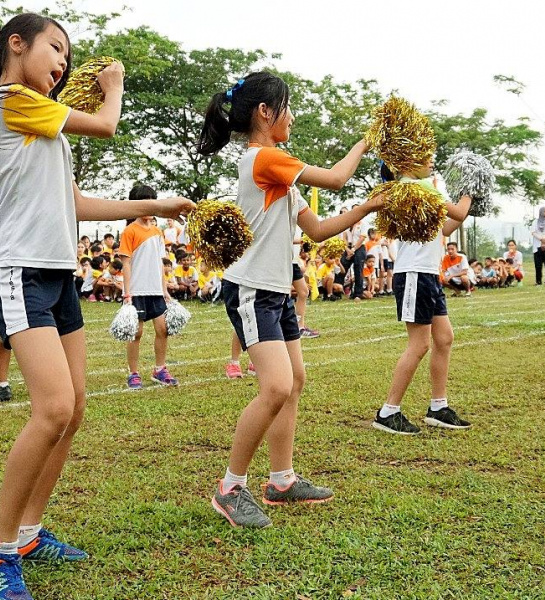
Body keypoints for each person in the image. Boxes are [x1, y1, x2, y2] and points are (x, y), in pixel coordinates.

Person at [0, 14, 194, 599]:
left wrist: (154, 207)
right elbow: (107, 125)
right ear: (15, 44)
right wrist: (114, 85)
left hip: (60, 275)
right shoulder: (12, 99)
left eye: (67, 55)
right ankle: (2, 544)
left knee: (75, 407)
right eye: (54, 48)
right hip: (21, 271)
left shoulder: (44, 126)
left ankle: (29, 532)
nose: (62, 63)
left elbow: (77, 203)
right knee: (54, 409)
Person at [197, 70, 383, 528]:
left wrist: (367, 208)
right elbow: (338, 178)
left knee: (294, 381)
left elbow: (317, 229)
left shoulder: (280, 169)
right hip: (253, 289)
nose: (293, 117)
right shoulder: (264, 158)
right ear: (265, 113)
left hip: (277, 290)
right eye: (287, 108)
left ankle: (281, 479)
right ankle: (229, 488)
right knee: (276, 387)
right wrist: (367, 141)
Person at [372, 160, 473, 435]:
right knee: (419, 345)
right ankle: (388, 412)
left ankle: (438, 407)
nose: (431, 161)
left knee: (444, 337)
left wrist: (466, 201)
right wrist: (471, 187)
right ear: (407, 162)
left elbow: (446, 228)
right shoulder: (418, 187)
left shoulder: (416, 189)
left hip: (426, 274)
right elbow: (460, 210)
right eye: (424, 155)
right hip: (415, 274)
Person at [119, 185, 182, 390]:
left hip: (155, 290)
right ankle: (133, 373)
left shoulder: (157, 231)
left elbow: (158, 262)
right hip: (137, 290)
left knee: (163, 329)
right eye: (144, 201)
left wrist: (164, 290)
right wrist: (127, 293)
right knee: (135, 333)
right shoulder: (130, 231)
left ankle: (159, 369)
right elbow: (126, 263)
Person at [340, 206, 366, 299]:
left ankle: (358, 294)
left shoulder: (362, 224)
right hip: (349, 248)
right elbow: (344, 239)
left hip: (359, 248)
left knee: (358, 270)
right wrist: (348, 250)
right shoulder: (348, 224)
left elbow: (362, 238)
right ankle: (337, 290)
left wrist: (354, 250)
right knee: (342, 266)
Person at [530, 207, 545, 285]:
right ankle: (538, 281)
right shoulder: (535, 222)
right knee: (538, 265)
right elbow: (533, 232)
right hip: (537, 247)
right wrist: (541, 239)